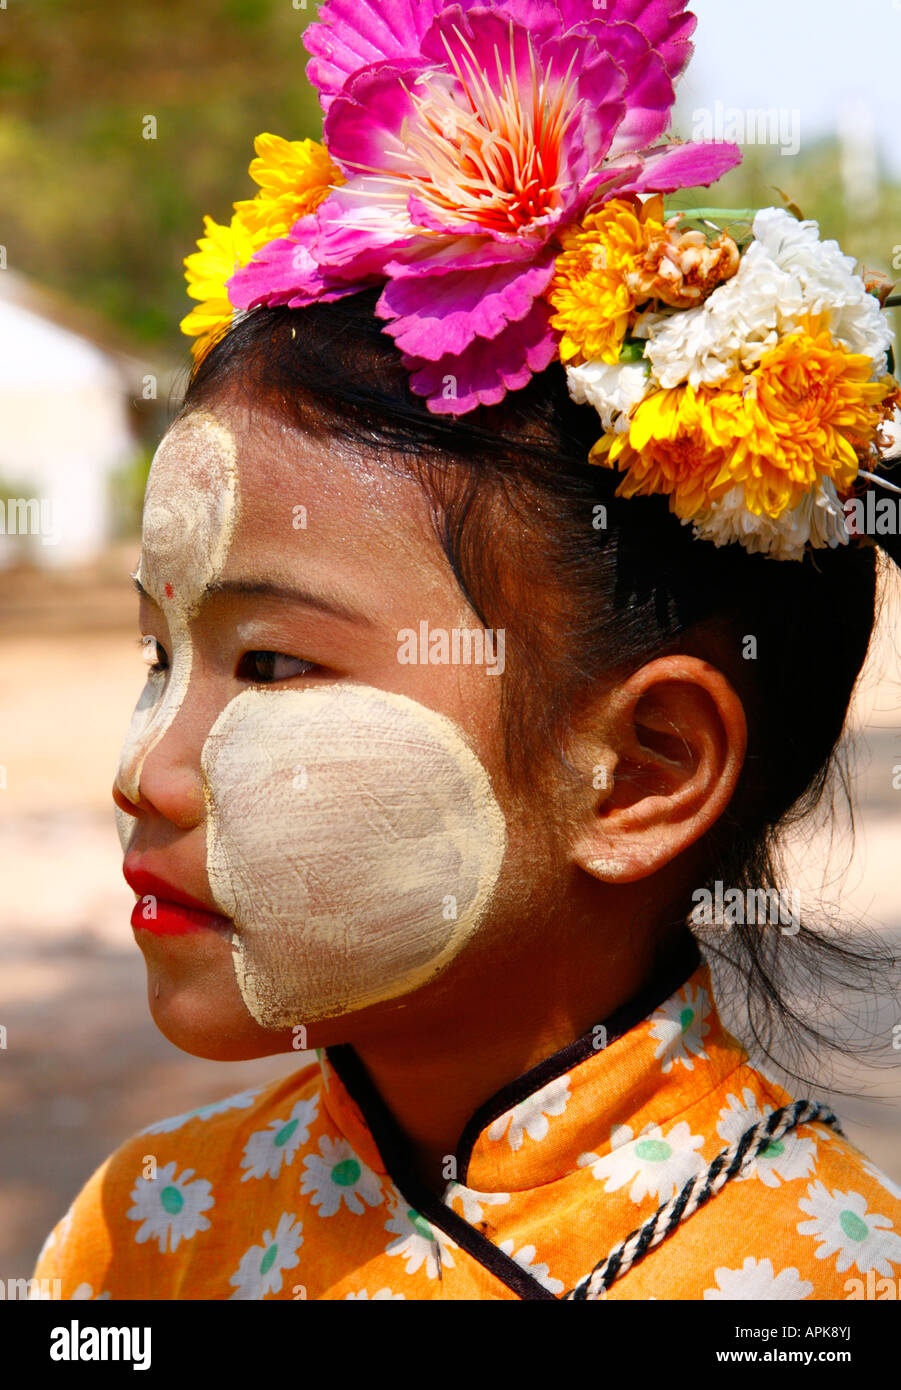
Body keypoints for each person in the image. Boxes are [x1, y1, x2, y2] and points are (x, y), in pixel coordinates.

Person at [34, 0, 901, 1300]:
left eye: (268, 664)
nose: (145, 769)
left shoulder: (817, 1282)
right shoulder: (139, 1239)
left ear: (638, 771)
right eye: (160, 654)